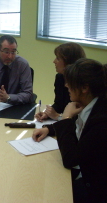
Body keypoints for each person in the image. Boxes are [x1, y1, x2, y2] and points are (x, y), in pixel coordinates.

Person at [32, 58, 107, 202]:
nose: (66, 85)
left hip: (94, 189)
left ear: (84, 88)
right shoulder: (90, 103)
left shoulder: (101, 121)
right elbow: (75, 125)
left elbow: (70, 159)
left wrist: (65, 117)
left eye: (70, 82)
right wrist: (50, 129)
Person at [35, 42, 86, 122]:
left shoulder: (82, 83)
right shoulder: (60, 77)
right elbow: (58, 104)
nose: (54, 61)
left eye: (58, 58)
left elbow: (79, 117)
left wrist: (57, 116)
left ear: (68, 62)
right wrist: (47, 113)